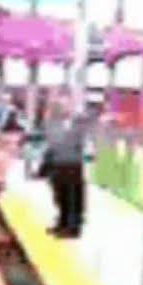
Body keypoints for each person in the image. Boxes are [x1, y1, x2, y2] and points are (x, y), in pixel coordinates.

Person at [42, 95, 92, 238]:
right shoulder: (53, 123)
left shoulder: (76, 123)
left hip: (71, 166)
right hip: (59, 166)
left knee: (71, 197)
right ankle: (62, 224)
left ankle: (73, 228)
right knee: (61, 197)